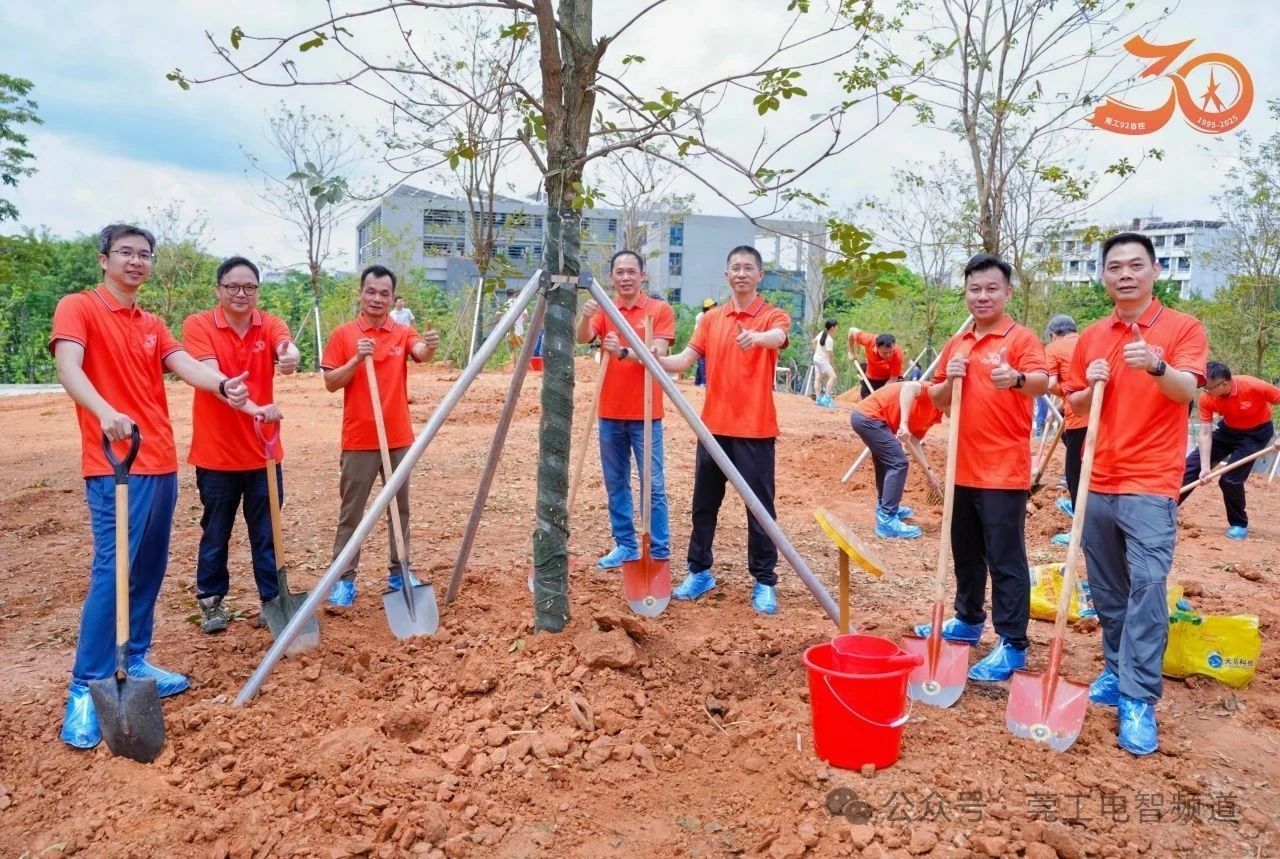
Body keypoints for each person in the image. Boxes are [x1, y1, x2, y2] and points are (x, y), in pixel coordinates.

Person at [52, 223, 259, 749]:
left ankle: (136, 658)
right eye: (125, 252)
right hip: (114, 461)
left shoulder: (151, 322)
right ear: (103, 259)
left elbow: (182, 363)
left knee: (148, 566)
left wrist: (223, 385)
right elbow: (68, 367)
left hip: (159, 458)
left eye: (144, 254)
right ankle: (85, 685)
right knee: (114, 570)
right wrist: (104, 411)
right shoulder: (79, 307)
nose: (136, 261)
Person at [1063, 231, 1208, 756]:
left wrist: (1157, 366)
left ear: (1154, 271)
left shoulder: (1183, 328)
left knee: (1146, 587)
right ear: (1104, 276)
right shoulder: (1091, 337)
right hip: (1097, 478)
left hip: (1150, 482)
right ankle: (1115, 667)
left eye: (1135, 265)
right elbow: (1075, 404)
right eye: (1115, 266)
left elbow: (1188, 389)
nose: (1125, 274)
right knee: (1107, 589)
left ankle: (1139, 697)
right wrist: (1089, 385)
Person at [915, 253, 1049, 682]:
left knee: (1005, 558)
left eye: (992, 288)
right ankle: (968, 619)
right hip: (962, 467)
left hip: (1003, 470)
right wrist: (949, 379)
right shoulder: (958, 343)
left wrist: (1017, 379)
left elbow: (1042, 382)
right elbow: (938, 400)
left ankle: (1013, 644)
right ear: (966, 293)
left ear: (1007, 292)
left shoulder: (1021, 339)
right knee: (965, 551)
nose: (983, 296)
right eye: (975, 288)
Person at [657, 246, 791, 615]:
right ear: (727, 275)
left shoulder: (772, 315)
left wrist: (757, 338)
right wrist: (651, 357)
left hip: (755, 430)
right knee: (704, 506)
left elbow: (778, 337)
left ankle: (764, 580)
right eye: (736, 268)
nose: (742, 273)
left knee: (760, 509)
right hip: (712, 430)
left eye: (749, 268)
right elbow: (684, 360)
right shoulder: (711, 319)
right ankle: (699, 572)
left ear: (760, 275)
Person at [183, 256, 300, 633]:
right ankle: (211, 601)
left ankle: (273, 600)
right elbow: (211, 376)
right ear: (218, 289)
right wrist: (255, 407)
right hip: (216, 454)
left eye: (249, 287)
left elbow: (286, 347)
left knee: (267, 531)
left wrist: (290, 356)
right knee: (216, 530)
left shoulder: (269, 323)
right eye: (232, 286)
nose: (241, 293)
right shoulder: (199, 325)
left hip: (263, 452)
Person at [321, 265, 439, 606]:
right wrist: (357, 359)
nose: (377, 298)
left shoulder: (402, 332)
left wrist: (429, 346)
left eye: (384, 293)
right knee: (352, 513)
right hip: (359, 439)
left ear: (392, 298)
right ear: (360, 293)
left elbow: (420, 351)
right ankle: (344, 578)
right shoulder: (344, 335)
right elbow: (331, 382)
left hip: (398, 438)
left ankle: (399, 571)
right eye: (371, 291)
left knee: (400, 510)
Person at [576, 250, 675, 569]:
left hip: (646, 414)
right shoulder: (606, 309)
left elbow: (657, 353)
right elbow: (583, 338)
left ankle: (658, 549)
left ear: (642, 275)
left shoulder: (659, 310)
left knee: (653, 485)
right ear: (611, 277)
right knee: (615, 482)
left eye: (632, 271)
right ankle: (626, 545)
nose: (626, 277)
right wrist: (585, 316)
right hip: (609, 412)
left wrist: (622, 352)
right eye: (619, 272)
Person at [1178, 361, 1279, 540]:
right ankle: (1166, 510)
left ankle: (1239, 524)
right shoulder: (1206, 398)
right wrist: (1205, 467)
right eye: (1203, 387)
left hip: (1256, 434)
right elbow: (1205, 433)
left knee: (1230, 479)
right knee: (1190, 467)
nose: (1205, 391)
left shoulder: (1253, 386)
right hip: (1228, 431)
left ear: (1225, 383)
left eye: (1208, 387)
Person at [850, 380, 943, 539]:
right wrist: (904, 424)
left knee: (886, 462)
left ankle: (885, 507)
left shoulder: (935, 414)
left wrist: (929, 472)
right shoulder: (933, 391)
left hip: (873, 420)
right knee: (898, 462)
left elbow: (914, 441)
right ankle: (887, 520)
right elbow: (908, 387)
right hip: (868, 417)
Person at [1043, 314, 1086, 546]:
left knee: (1075, 474)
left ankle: (1081, 531)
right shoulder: (1089, 341)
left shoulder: (1053, 348)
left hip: (1080, 418)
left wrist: (1064, 393)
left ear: (1053, 334)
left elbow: (1050, 384)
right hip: (1104, 415)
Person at [847, 327, 905, 397]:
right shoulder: (869, 340)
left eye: (891, 352)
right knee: (866, 398)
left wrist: (882, 394)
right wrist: (852, 352)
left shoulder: (897, 354)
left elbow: (893, 378)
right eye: (885, 353)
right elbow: (851, 330)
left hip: (891, 378)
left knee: (895, 397)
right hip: (872, 377)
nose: (888, 355)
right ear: (877, 347)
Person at [811, 319, 839, 407]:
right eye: (836, 327)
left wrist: (817, 351)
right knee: (833, 376)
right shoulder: (829, 339)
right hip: (822, 360)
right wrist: (832, 364)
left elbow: (813, 342)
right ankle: (826, 398)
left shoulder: (822, 333)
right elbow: (830, 354)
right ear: (832, 328)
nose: (837, 328)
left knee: (818, 378)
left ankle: (818, 399)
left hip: (816, 358)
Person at [693, 298, 715, 386]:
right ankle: (705, 382)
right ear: (708, 307)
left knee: (701, 362)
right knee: (703, 361)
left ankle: (698, 381)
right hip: (701, 339)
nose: (713, 307)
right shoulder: (702, 316)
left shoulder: (707, 315)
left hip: (705, 339)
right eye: (712, 306)